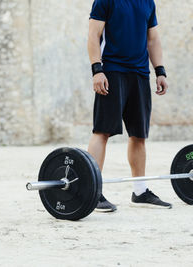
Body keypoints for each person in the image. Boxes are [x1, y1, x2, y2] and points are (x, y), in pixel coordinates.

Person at [87, 0, 172, 212]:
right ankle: (92, 192)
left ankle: (140, 191)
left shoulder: (147, 2)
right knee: (102, 131)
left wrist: (160, 71)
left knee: (139, 135)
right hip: (112, 72)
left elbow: (152, 39)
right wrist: (97, 70)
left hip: (140, 74)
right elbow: (93, 34)